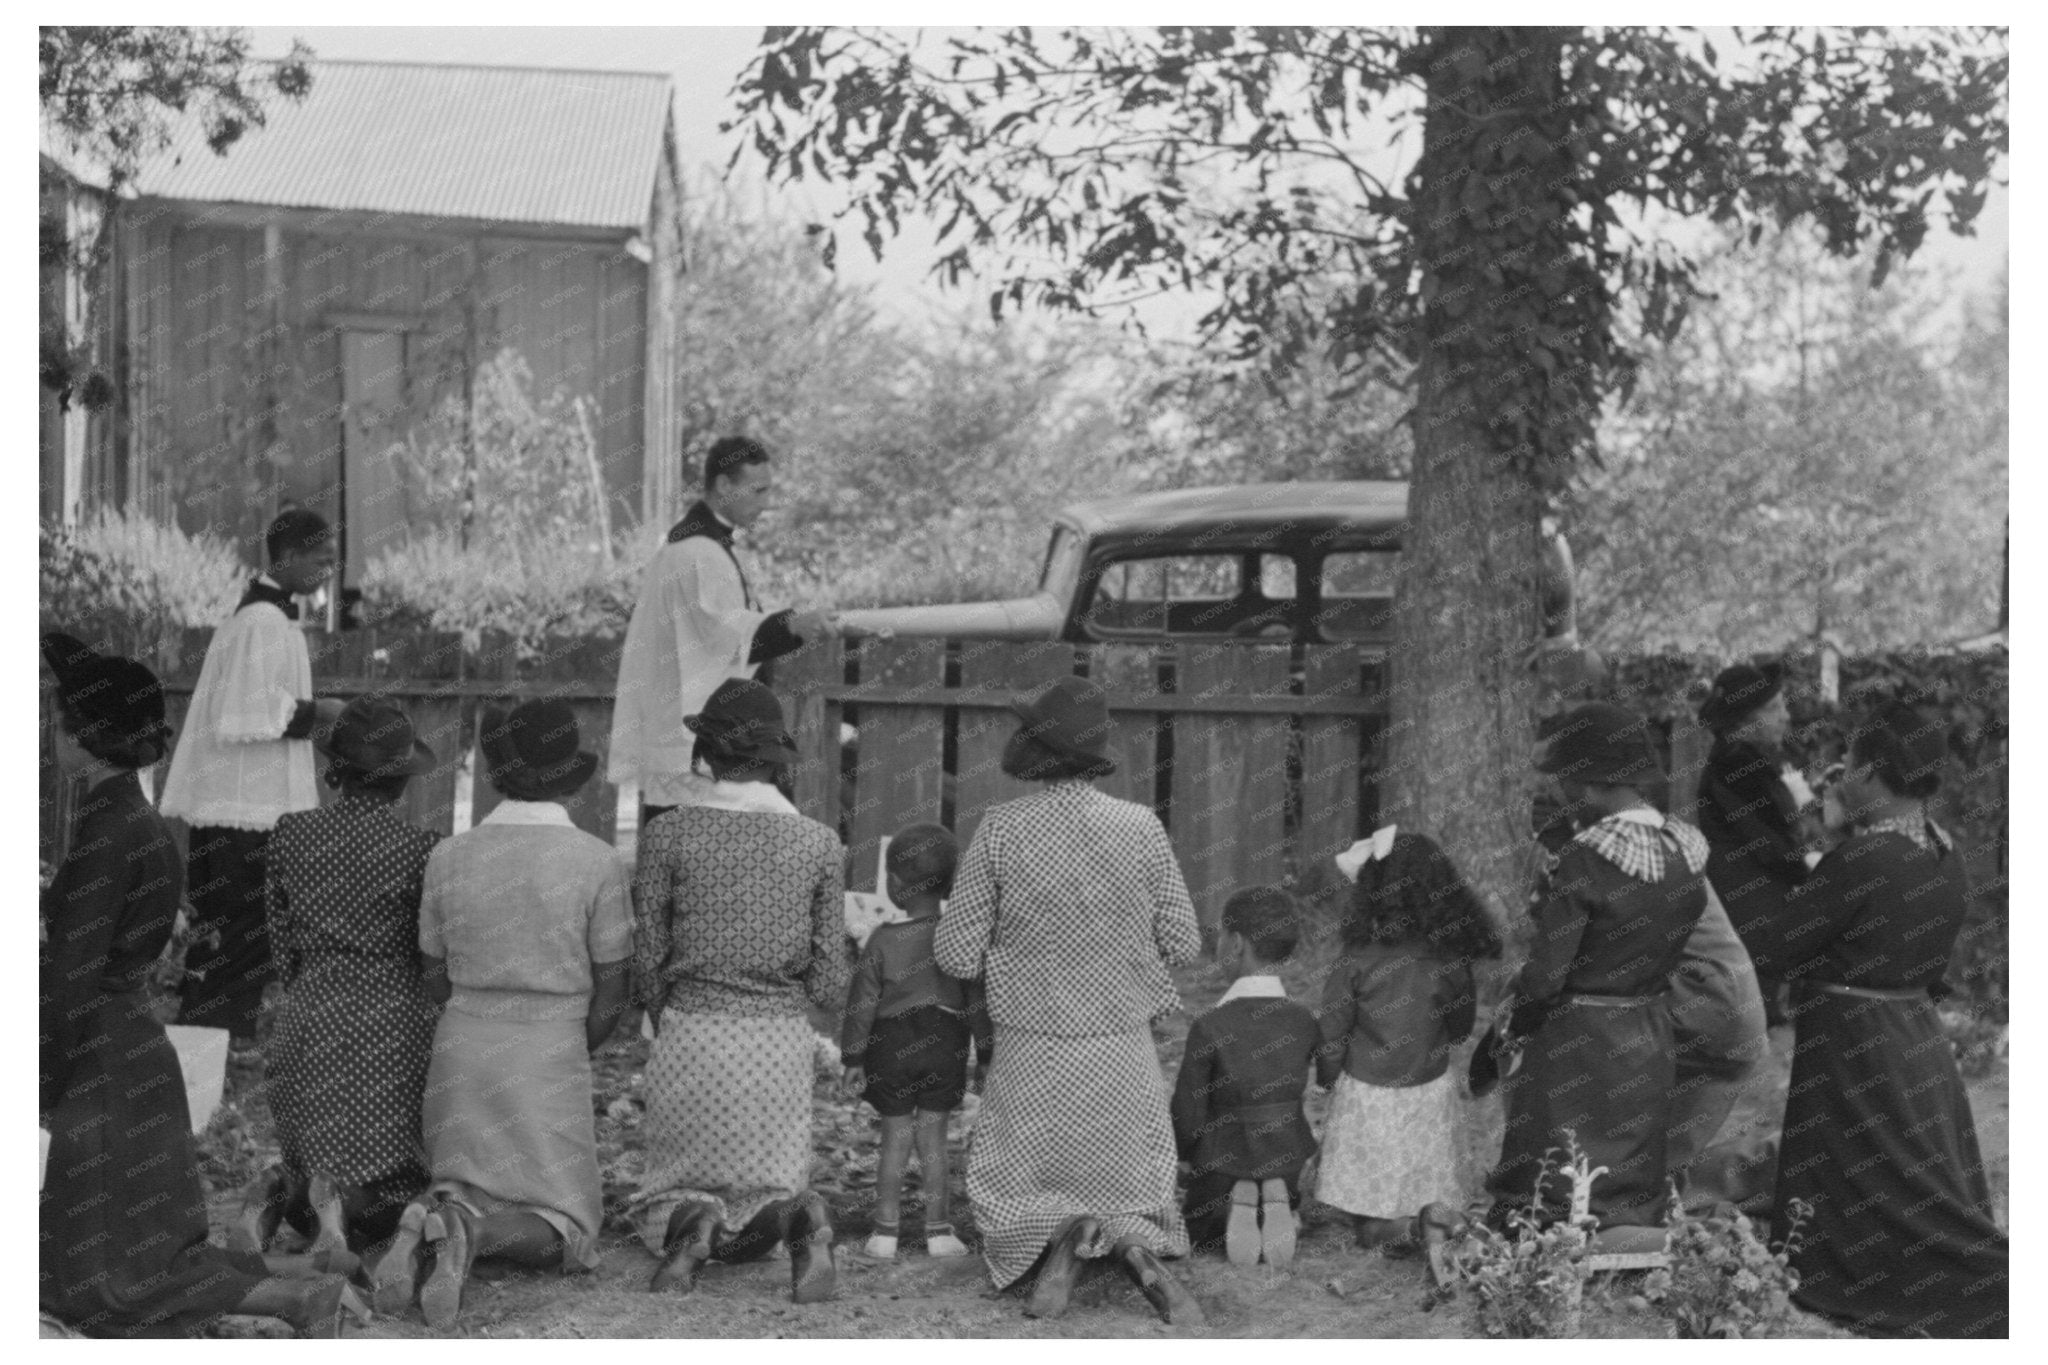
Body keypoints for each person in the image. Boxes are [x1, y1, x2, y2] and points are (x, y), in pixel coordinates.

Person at [39, 633, 365, 1338]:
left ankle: (295, 1301)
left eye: (58, 723)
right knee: (139, 1254)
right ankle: (307, 1270)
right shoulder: (140, 822)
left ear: (86, 739)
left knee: (103, 1287)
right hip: (134, 1053)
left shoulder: (107, 831)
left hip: (99, 1063)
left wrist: (41, 1076)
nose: (51, 734)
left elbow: (69, 975)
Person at [934, 676, 1207, 1326]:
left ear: (1034, 747)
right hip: (1121, 1050)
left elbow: (955, 954)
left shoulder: (1001, 829)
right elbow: (1184, 941)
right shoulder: (1140, 826)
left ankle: (1060, 1234)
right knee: (1133, 1182)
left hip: (1032, 1049)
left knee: (1011, 1182)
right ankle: (1134, 1245)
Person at [1743, 704, 2007, 1338]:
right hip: (1913, 1034)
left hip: (1854, 1038)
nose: (1840, 775)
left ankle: (1857, 1272)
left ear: (1873, 775)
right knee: (1904, 1171)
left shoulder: (1865, 857)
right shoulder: (1945, 851)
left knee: (1866, 1170)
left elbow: (1779, 944)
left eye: (1850, 764)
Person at [371, 700, 633, 1328]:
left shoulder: (449, 855)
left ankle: (436, 1218)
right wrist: (574, 1044)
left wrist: (471, 1014)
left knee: (459, 1181)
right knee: (567, 1224)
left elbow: (433, 971)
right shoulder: (596, 861)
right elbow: (613, 987)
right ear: (570, 779)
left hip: (462, 1041)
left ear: (495, 774)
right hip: (549, 1046)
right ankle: (476, 1236)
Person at [630, 679, 850, 1304]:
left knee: (670, 1193)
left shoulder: (668, 834)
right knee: (769, 1191)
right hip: (776, 1047)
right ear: (776, 758)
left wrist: (663, 1016)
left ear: (705, 753)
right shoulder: (819, 843)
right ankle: (797, 1217)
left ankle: (692, 1224)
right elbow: (829, 984)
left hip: (693, 1034)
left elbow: (648, 959)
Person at [1487, 702, 1709, 1235]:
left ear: (1589, 784)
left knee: (1557, 1160)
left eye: (1565, 781)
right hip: (1650, 1028)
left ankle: (1551, 1231)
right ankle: (1629, 1227)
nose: (1561, 794)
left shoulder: (1586, 858)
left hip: (1578, 1039)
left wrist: (1517, 1024)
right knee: (1630, 1153)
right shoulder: (1685, 850)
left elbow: (1546, 976)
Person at [238, 697, 441, 1266]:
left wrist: (309, 989)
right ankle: (348, 1211)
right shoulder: (420, 849)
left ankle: (285, 1197)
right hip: (392, 1018)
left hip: (311, 1009)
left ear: (336, 770)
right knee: (397, 1177)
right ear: (401, 781)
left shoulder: (291, 833)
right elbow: (430, 950)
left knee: (309, 1152)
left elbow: (281, 942)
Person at [160, 508, 345, 1049]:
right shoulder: (261, 621)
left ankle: (216, 1040)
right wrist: (322, 712)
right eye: (321, 559)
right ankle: (212, 1039)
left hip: (247, 802)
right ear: (288, 556)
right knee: (238, 930)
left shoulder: (269, 618)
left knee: (237, 930)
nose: (329, 570)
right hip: (242, 807)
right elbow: (249, 711)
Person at [609, 435, 835, 827]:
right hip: (687, 737)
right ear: (724, 484)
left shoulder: (701, 548)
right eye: (758, 490)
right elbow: (722, 634)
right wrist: (792, 625)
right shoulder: (698, 552)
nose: (766, 502)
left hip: (684, 732)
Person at [1315, 830, 1498, 1271]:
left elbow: (1333, 1031)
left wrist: (1326, 1078)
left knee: (1368, 1223)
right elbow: (1460, 1028)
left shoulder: (1357, 956)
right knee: (1427, 1192)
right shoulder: (1449, 957)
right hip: (1428, 1094)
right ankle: (1443, 1223)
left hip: (1367, 1099)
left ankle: (1414, 1230)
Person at [841, 824, 992, 1261]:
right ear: (950, 881)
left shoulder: (882, 940)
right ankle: (939, 1232)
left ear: (894, 883)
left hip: (890, 1047)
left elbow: (862, 1004)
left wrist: (853, 1057)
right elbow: (976, 1000)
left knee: (894, 1138)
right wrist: (986, 1054)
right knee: (934, 1140)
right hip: (945, 1045)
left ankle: (884, 1234)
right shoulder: (957, 938)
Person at [1168, 886, 1320, 1268]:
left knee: (1197, 1225)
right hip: (1285, 1158)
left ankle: (1231, 1209)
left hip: (1222, 1163)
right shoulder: (1303, 1021)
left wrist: (1184, 1160)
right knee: (1278, 1182)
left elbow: (1188, 1110)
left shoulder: (1210, 1025)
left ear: (1236, 943)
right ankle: (1278, 1205)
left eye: (1221, 934)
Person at [1694, 662, 1817, 1019]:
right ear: (1744, 721)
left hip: (1754, 914)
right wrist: (1819, 866)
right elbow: (1777, 848)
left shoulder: (1743, 763)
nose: (1785, 716)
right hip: (1753, 917)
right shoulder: (1737, 767)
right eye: (1774, 708)